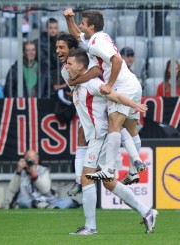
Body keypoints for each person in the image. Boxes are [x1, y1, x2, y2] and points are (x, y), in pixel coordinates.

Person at [65, 48, 157, 235]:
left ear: (81, 66)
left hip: (101, 138)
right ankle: (147, 212)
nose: (66, 66)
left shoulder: (92, 84)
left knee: (86, 178)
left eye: (69, 63)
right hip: (97, 138)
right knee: (108, 182)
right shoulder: (77, 85)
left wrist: (135, 105)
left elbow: (114, 95)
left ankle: (90, 227)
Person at [64, 8, 146, 182]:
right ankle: (133, 170)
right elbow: (78, 35)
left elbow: (117, 59)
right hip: (132, 83)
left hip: (123, 86)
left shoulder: (96, 43)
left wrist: (109, 84)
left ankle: (109, 168)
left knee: (114, 125)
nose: (79, 25)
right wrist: (68, 19)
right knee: (130, 129)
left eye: (83, 23)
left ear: (91, 26)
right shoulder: (98, 37)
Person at [55, 32, 102, 196]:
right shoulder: (64, 71)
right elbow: (76, 82)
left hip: (104, 99)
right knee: (81, 135)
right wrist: (75, 83)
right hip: (90, 104)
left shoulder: (87, 58)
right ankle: (78, 180)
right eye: (56, 47)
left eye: (61, 47)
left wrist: (76, 82)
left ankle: (128, 164)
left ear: (73, 49)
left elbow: (97, 71)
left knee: (120, 129)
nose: (57, 50)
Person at [8, 150, 79, 209]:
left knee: (67, 200)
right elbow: (12, 189)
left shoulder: (44, 170)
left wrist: (34, 175)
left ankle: (42, 206)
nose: (32, 161)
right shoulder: (20, 171)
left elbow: (45, 190)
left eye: (34, 159)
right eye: (29, 159)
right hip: (28, 201)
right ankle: (42, 206)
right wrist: (18, 171)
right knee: (22, 201)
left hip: (47, 200)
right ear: (24, 160)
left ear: (37, 159)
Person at [34, 18, 60, 93]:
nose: (53, 30)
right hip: (44, 74)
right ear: (46, 29)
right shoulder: (39, 43)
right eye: (50, 28)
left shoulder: (60, 42)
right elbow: (44, 62)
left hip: (57, 75)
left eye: (55, 28)